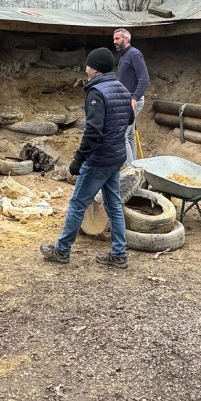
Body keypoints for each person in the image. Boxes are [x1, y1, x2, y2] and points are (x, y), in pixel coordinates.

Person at [40, 47, 133, 269]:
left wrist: (78, 160)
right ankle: (119, 254)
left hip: (99, 159)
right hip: (116, 157)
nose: (85, 68)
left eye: (88, 65)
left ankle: (62, 250)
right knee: (113, 205)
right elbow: (129, 118)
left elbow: (92, 130)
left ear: (95, 68)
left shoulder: (97, 93)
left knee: (77, 203)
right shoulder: (120, 88)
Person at [113, 28, 149, 165]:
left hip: (133, 101)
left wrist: (134, 98)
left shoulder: (134, 54)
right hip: (127, 100)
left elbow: (144, 78)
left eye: (117, 39)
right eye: (114, 39)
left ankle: (129, 169)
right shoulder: (124, 56)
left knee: (122, 135)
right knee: (130, 135)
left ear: (126, 39)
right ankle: (134, 165)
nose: (114, 42)